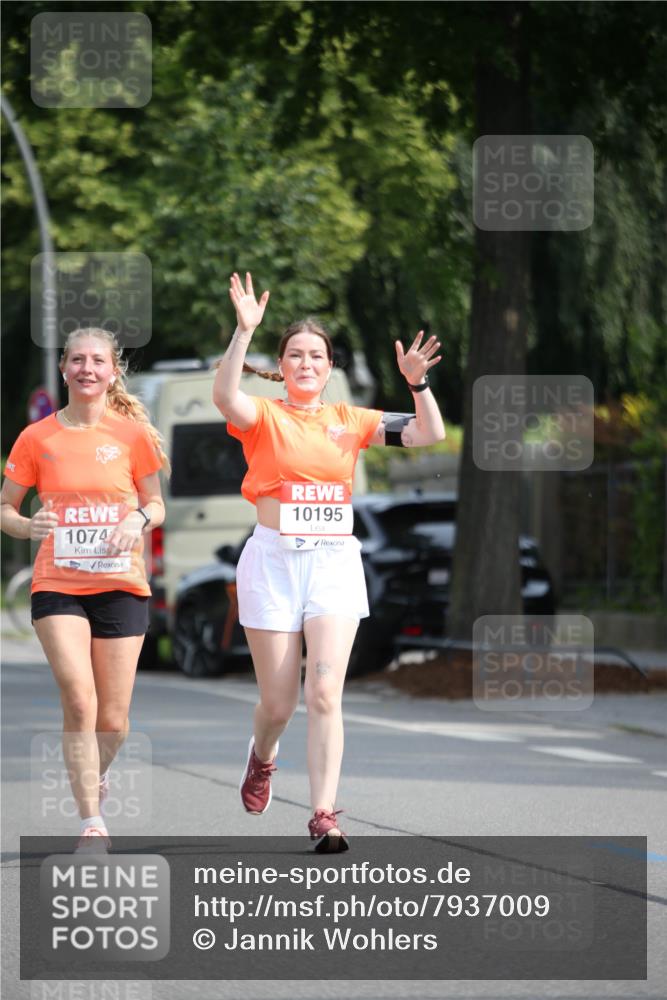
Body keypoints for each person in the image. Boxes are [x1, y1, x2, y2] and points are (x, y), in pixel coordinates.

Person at [213, 272, 446, 852]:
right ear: (282, 364)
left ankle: (323, 814)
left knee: (324, 694)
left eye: (316, 355)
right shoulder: (263, 415)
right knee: (279, 704)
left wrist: (417, 384)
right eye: (295, 354)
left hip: (333, 563)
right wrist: (244, 332)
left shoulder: (352, 419)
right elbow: (225, 397)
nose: (306, 363)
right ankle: (262, 756)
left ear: (329, 365)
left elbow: (429, 433)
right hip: (273, 562)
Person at [0, 328, 167, 852]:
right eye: (77, 360)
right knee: (78, 698)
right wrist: (28, 525)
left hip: (120, 584)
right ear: (63, 369)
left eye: (97, 360)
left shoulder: (132, 436)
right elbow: (5, 508)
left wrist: (138, 518)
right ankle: (91, 823)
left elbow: (157, 504)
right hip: (59, 584)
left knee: (113, 721)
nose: (86, 368)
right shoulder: (37, 438)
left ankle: (95, 770)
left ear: (112, 372)